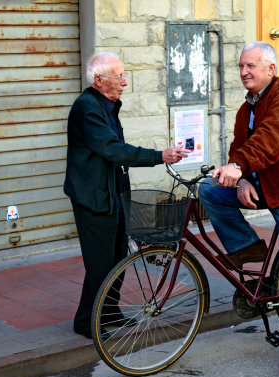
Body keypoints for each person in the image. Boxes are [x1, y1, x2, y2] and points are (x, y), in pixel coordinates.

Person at [198, 41, 279, 377]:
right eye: (241, 66)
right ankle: (247, 247)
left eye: (250, 66)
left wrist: (239, 167)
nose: (243, 72)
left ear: (270, 68)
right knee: (209, 190)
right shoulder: (247, 108)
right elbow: (239, 147)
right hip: (264, 185)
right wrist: (239, 179)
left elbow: (273, 139)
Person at [64, 52, 190, 339]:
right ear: (99, 80)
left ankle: (109, 312)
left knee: (119, 256)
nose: (125, 82)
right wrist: (160, 156)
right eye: (118, 76)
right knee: (100, 263)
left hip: (114, 191)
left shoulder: (106, 105)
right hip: (93, 196)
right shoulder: (88, 108)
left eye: (123, 75)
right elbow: (112, 149)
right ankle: (86, 321)